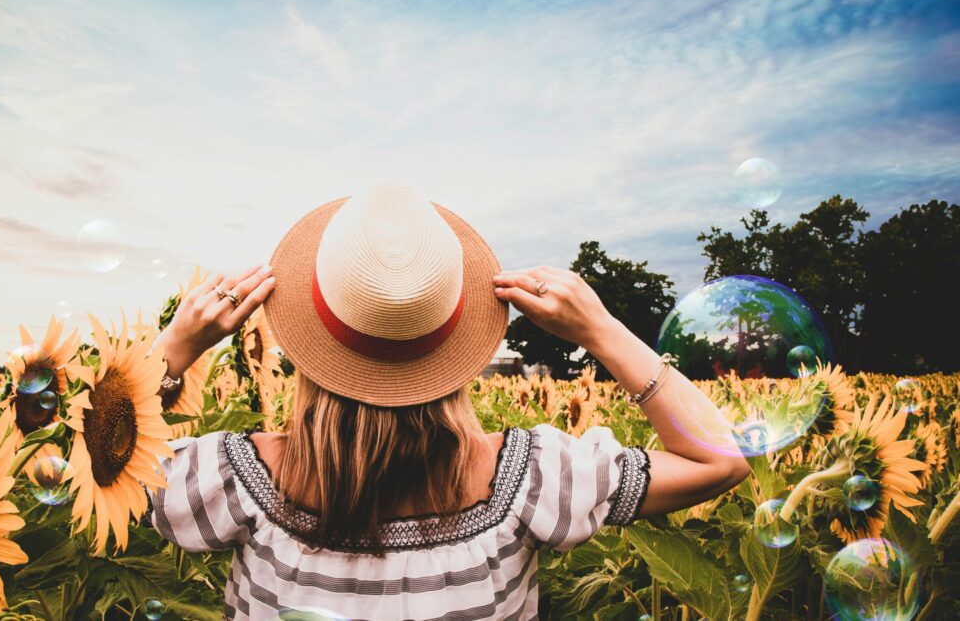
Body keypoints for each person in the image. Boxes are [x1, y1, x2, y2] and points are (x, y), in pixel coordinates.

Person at [144, 184, 751, 620]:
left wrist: (174, 348)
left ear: (309, 342)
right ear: (455, 349)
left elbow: (96, 469)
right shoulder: (535, 480)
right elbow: (720, 461)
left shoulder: (232, 481)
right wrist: (601, 329)